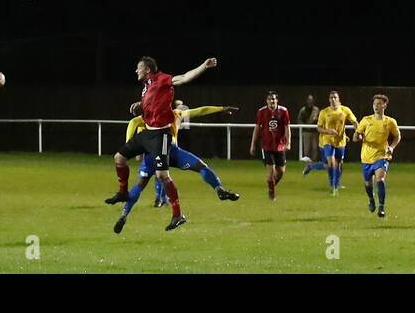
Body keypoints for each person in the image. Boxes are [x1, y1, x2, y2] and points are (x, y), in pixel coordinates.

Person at [106, 56, 217, 232]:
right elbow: (152, 102)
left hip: (160, 135)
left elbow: (184, 77)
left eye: (138, 67)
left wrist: (204, 65)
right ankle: (122, 193)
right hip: (147, 133)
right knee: (119, 158)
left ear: (147, 69)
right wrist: (140, 105)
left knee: (162, 175)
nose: (136, 70)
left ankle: (177, 214)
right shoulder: (146, 86)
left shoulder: (163, 79)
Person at [110, 102, 241, 222]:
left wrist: (129, 146)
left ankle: (124, 214)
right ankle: (219, 189)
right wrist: (221, 109)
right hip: (172, 151)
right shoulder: (176, 113)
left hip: (152, 155)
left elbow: (133, 123)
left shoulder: (149, 118)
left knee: (140, 184)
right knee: (201, 167)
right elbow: (201, 110)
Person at [354, 94, 401, 218]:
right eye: (375, 104)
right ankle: (371, 199)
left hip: (381, 155)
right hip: (366, 157)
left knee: (380, 179)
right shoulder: (366, 120)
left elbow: (397, 136)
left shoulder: (390, 122)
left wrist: (391, 147)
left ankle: (381, 207)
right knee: (368, 184)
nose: (376, 106)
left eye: (379, 104)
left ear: (385, 105)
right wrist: (358, 137)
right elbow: (356, 135)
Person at [302, 91, 357, 194]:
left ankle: (311, 166)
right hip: (326, 141)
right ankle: (334, 186)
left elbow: (354, 122)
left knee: (337, 164)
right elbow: (319, 128)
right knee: (332, 163)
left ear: (339, 99)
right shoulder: (324, 112)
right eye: (331, 97)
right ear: (329, 99)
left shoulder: (345, 110)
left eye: (335, 97)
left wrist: (357, 132)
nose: (333, 99)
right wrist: (329, 131)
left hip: (340, 142)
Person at [250, 91, 292, 201]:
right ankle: (271, 194)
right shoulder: (261, 112)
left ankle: (271, 185)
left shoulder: (283, 111)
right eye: (269, 99)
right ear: (266, 101)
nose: (271, 101)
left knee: (281, 172)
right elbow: (257, 128)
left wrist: (288, 142)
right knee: (271, 170)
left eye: (273, 99)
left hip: (280, 146)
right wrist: (253, 144)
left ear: (277, 100)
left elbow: (287, 128)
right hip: (267, 146)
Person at [297, 94, 320, 162]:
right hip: (306, 132)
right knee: (307, 149)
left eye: (311, 100)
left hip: (315, 132)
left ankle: (314, 163)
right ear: (307, 101)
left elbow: (320, 119)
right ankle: (307, 163)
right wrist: (304, 126)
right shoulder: (303, 110)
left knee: (315, 148)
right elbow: (299, 120)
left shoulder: (316, 110)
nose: (310, 102)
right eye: (309, 100)